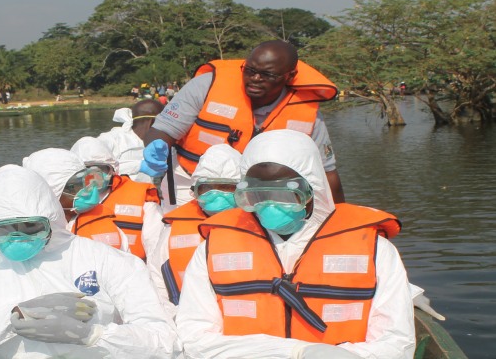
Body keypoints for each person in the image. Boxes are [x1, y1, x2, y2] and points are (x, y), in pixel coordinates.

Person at [176, 130, 415, 358]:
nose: (269, 204)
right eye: (258, 194)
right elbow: (194, 340)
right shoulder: (212, 248)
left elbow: (396, 344)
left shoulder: (375, 249)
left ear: (313, 189)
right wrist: (294, 353)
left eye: (284, 195)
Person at [0, 165, 178, 358]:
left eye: (28, 226)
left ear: (50, 218)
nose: (14, 237)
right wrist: (10, 319)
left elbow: (165, 343)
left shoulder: (109, 261)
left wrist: (93, 336)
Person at [142, 40, 345, 210]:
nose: (255, 79)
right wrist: (155, 146)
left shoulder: (307, 113)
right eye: (250, 70)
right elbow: (162, 130)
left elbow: (327, 173)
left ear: (289, 76)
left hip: (258, 194)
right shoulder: (207, 84)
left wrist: (339, 218)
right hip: (190, 184)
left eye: (267, 75)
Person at [147, 144, 242, 319]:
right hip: (184, 322)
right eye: (207, 188)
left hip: (242, 329)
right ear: (195, 192)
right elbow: (156, 283)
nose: (217, 194)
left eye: (226, 187)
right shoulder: (170, 233)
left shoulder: (260, 229)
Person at [71, 136, 164, 260]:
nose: (92, 176)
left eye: (100, 169)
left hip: (133, 270)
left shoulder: (142, 200)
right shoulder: (64, 201)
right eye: (85, 170)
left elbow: (156, 249)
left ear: (113, 170)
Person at [21, 148, 130, 252]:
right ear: (50, 193)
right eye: (73, 187)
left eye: (84, 182)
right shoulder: (23, 234)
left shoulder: (107, 227)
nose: (87, 190)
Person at [98, 99, 165, 176]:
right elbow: (95, 167)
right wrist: (139, 166)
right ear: (151, 121)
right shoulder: (112, 138)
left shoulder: (159, 144)